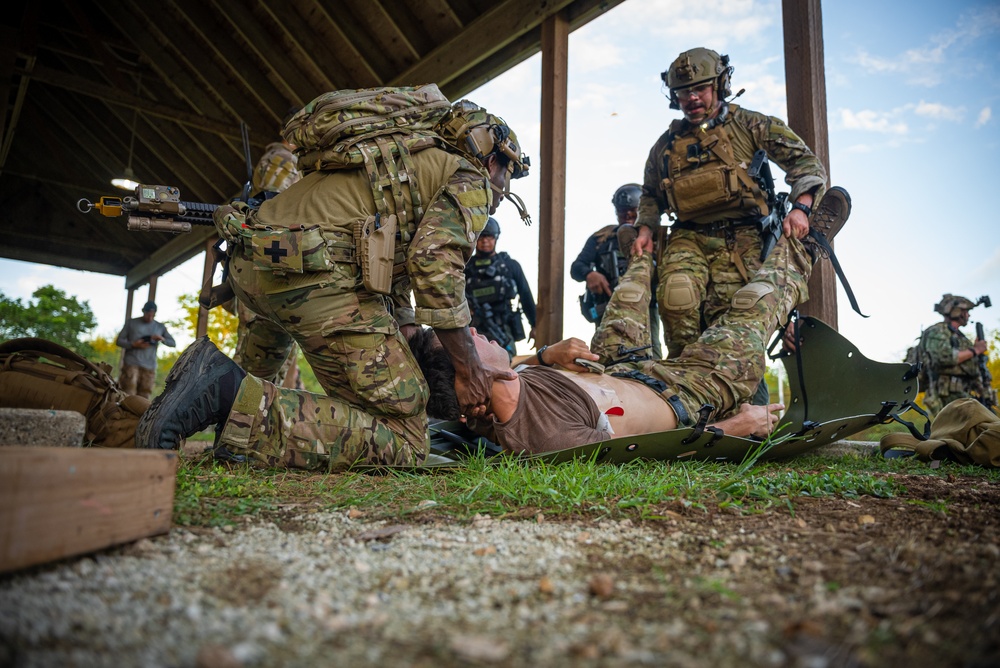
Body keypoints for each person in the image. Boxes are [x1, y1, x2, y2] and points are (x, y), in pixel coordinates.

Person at [137, 94, 531, 470]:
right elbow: (435, 263)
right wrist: (468, 369)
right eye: (507, 176)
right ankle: (224, 394)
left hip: (258, 264)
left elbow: (393, 265)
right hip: (312, 273)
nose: (504, 191)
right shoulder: (469, 179)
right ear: (493, 159)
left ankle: (232, 425)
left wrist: (409, 338)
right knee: (407, 439)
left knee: (351, 403)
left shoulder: (406, 163)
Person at [410, 229, 814, 454]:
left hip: (616, 365)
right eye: (466, 344)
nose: (474, 332)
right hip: (685, 391)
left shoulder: (491, 395)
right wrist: (735, 427)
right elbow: (658, 456)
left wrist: (547, 355)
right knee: (752, 307)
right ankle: (802, 244)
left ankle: (641, 254)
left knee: (627, 297)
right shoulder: (552, 437)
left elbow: (513, 366)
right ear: (471, 379)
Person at [629, 48, 827, 365]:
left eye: (699, 89)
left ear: (719, 85)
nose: (691, 98)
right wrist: (644, 229)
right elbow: (651, 194)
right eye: (682, 92)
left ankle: (746, 406)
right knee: (676, 303)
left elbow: (807, 164)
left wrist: (801, 207)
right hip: (687, 237)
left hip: (743, 237)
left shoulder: (750, 124)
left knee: (735, 328)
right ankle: (686, 396)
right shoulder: (665, 146)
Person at [230, 112, 305, 390]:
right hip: (268, 264)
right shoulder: (283, 160)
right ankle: (234, 422)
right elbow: (271, 208)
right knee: (256, 362)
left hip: (278, 263)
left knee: (270, 364)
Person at [571, 183, 661, 359]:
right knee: (606, 355)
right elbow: (577, 267)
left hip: (646, 309)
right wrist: (590, 274)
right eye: (622, 211)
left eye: (632, 210)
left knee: (652, 356)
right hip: (609, 309)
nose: (627, 215)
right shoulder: (602, 237)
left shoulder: (654, 239)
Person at [464, 217, 537, 359]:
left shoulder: (510, 265)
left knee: (507, 362)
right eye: (480, 236)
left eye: (489, 236)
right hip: (474, 328)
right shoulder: (466, 267)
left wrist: (535, 325)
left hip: (503, 327)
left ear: (496, 238)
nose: (485, 241)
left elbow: (526, 295)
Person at [919, 294, 990, 417]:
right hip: (945, 395)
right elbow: (942, 358)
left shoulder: (961, 338)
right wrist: (975, 350)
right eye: (966, 311)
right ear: (957, 312)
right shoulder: (937, 331)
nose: (968, 315)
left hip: (964, 394)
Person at [115, 301, 176, 400]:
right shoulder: (131, 323)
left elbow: (173, 343)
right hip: (131, 363)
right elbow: (119, 341)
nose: (150, 317)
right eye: (148, 314)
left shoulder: (159, 327)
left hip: (149, 366)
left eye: (152, 315)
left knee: (144, 396)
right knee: (128, 392)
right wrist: (133, 344)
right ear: (143, 311)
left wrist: (161, 339)